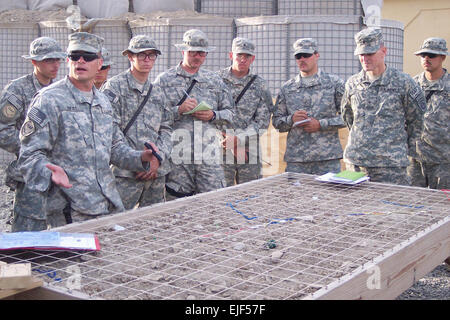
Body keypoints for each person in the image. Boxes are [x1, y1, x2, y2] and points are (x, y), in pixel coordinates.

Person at [18, 32, 155, 224]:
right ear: (68, 60)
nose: (80, 60)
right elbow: (29, 155)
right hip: (69, 210)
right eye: (75, 56)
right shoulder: (49, 99)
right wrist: (49, 172)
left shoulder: (103, 102)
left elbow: (114, 147)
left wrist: (141, 157)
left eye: (88, 56)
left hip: (107, 205)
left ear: (99, 63)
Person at [154, 29, 234, 199]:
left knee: (214, 203)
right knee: (177, 207)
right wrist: (179, 110)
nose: (197, 57)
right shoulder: (165, 80)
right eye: (192, 52)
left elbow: (231, 114)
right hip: (178, 156)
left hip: (208, 156)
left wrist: (213, 115)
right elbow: (152, 117)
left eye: (201, 53)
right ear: (183, 51)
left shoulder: (214, 81)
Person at [341, 28, 426, 185]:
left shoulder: (403, 83)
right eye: (362, 54)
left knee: (391, 208)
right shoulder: (352, 83)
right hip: (357, 163)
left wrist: (398, 148)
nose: (365, 58)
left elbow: (417, 120)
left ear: (383, 51)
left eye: (370, 53)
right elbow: (348, 118)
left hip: (390, 166)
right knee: (356, 209)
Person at [0, 37, 66, 231]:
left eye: (57, 59)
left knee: (59, 230)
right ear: (34, 62)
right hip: (30, 174)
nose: (55, 65)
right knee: (26, 230)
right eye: (48, 60)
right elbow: (3, 130)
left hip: (59, 172)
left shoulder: (61, 89)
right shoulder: (17, 90)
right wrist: (33, 150)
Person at [102, 35, 173, 209]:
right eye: (142, 55)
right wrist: (136, 161)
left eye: (152, 55)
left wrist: (157, 158)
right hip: (125, 173)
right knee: (116, 223)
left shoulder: (157, 92)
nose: (147, 59)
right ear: (130, 56)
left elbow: (166, 129)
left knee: (153, 225)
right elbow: (109, 128)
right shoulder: (114, 87)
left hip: (155, 173)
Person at [272, 38, 345, 175]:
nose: (302, 59)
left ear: (316, 55)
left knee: (329, 196)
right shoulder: (287, 88)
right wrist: (291, 119)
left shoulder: (334, 83)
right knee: (296, 196)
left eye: (306, 55)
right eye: (298, 56)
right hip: (297, 160)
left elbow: (348, 116)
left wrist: (321, 124)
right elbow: (277, 122)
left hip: (327, 158)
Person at [217, 37, 273, 186]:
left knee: (250, 196)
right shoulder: (215, 80)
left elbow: (262, 121)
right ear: (231, 55)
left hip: (249, 150)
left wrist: (239, 140)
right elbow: (208, 115)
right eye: (239, 55)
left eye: (247, 56)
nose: (242, 59)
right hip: (221, 149)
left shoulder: (259, 85)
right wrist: (229, 141)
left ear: (252, 58)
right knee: (218, 197)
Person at [407, 37, 449, 190]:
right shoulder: (412, 85)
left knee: (442, 206)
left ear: (442, 57)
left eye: (431, 55)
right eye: (423, 55)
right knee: (413, 205)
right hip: (415, 160)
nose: (426, 59)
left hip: (443, 162)